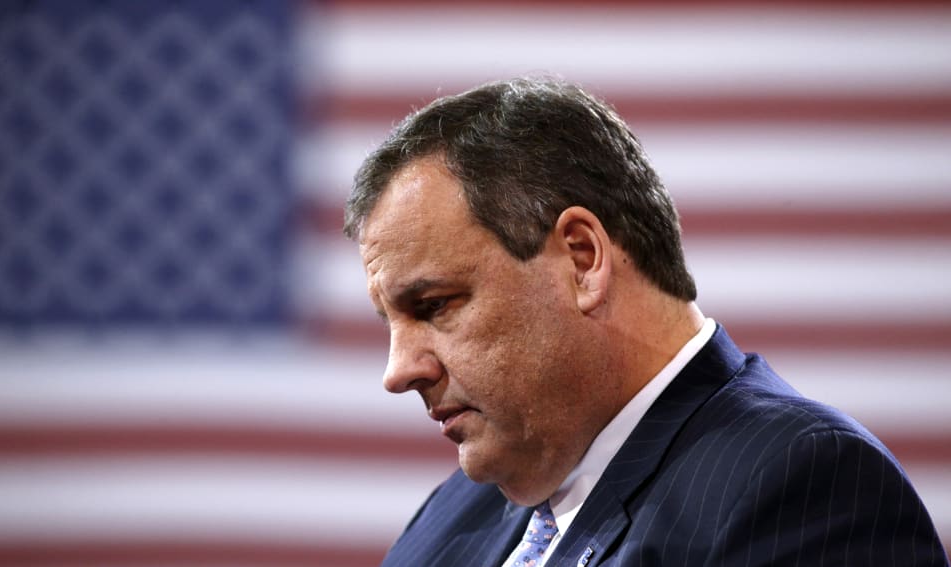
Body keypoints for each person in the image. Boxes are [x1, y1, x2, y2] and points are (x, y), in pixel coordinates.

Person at [342, 77, 949, 567]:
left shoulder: (806, 486)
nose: (398, 372)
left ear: (582, 259)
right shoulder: (454, 515)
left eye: (434, 304)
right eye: (388, 321)